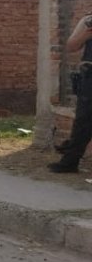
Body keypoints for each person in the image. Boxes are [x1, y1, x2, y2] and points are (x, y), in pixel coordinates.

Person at [52, 13, 92, 173]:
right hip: (90, 76)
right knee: (83, 120)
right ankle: (69, 162)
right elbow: (71, 46)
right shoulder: (88, 20)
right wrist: (86, 34)